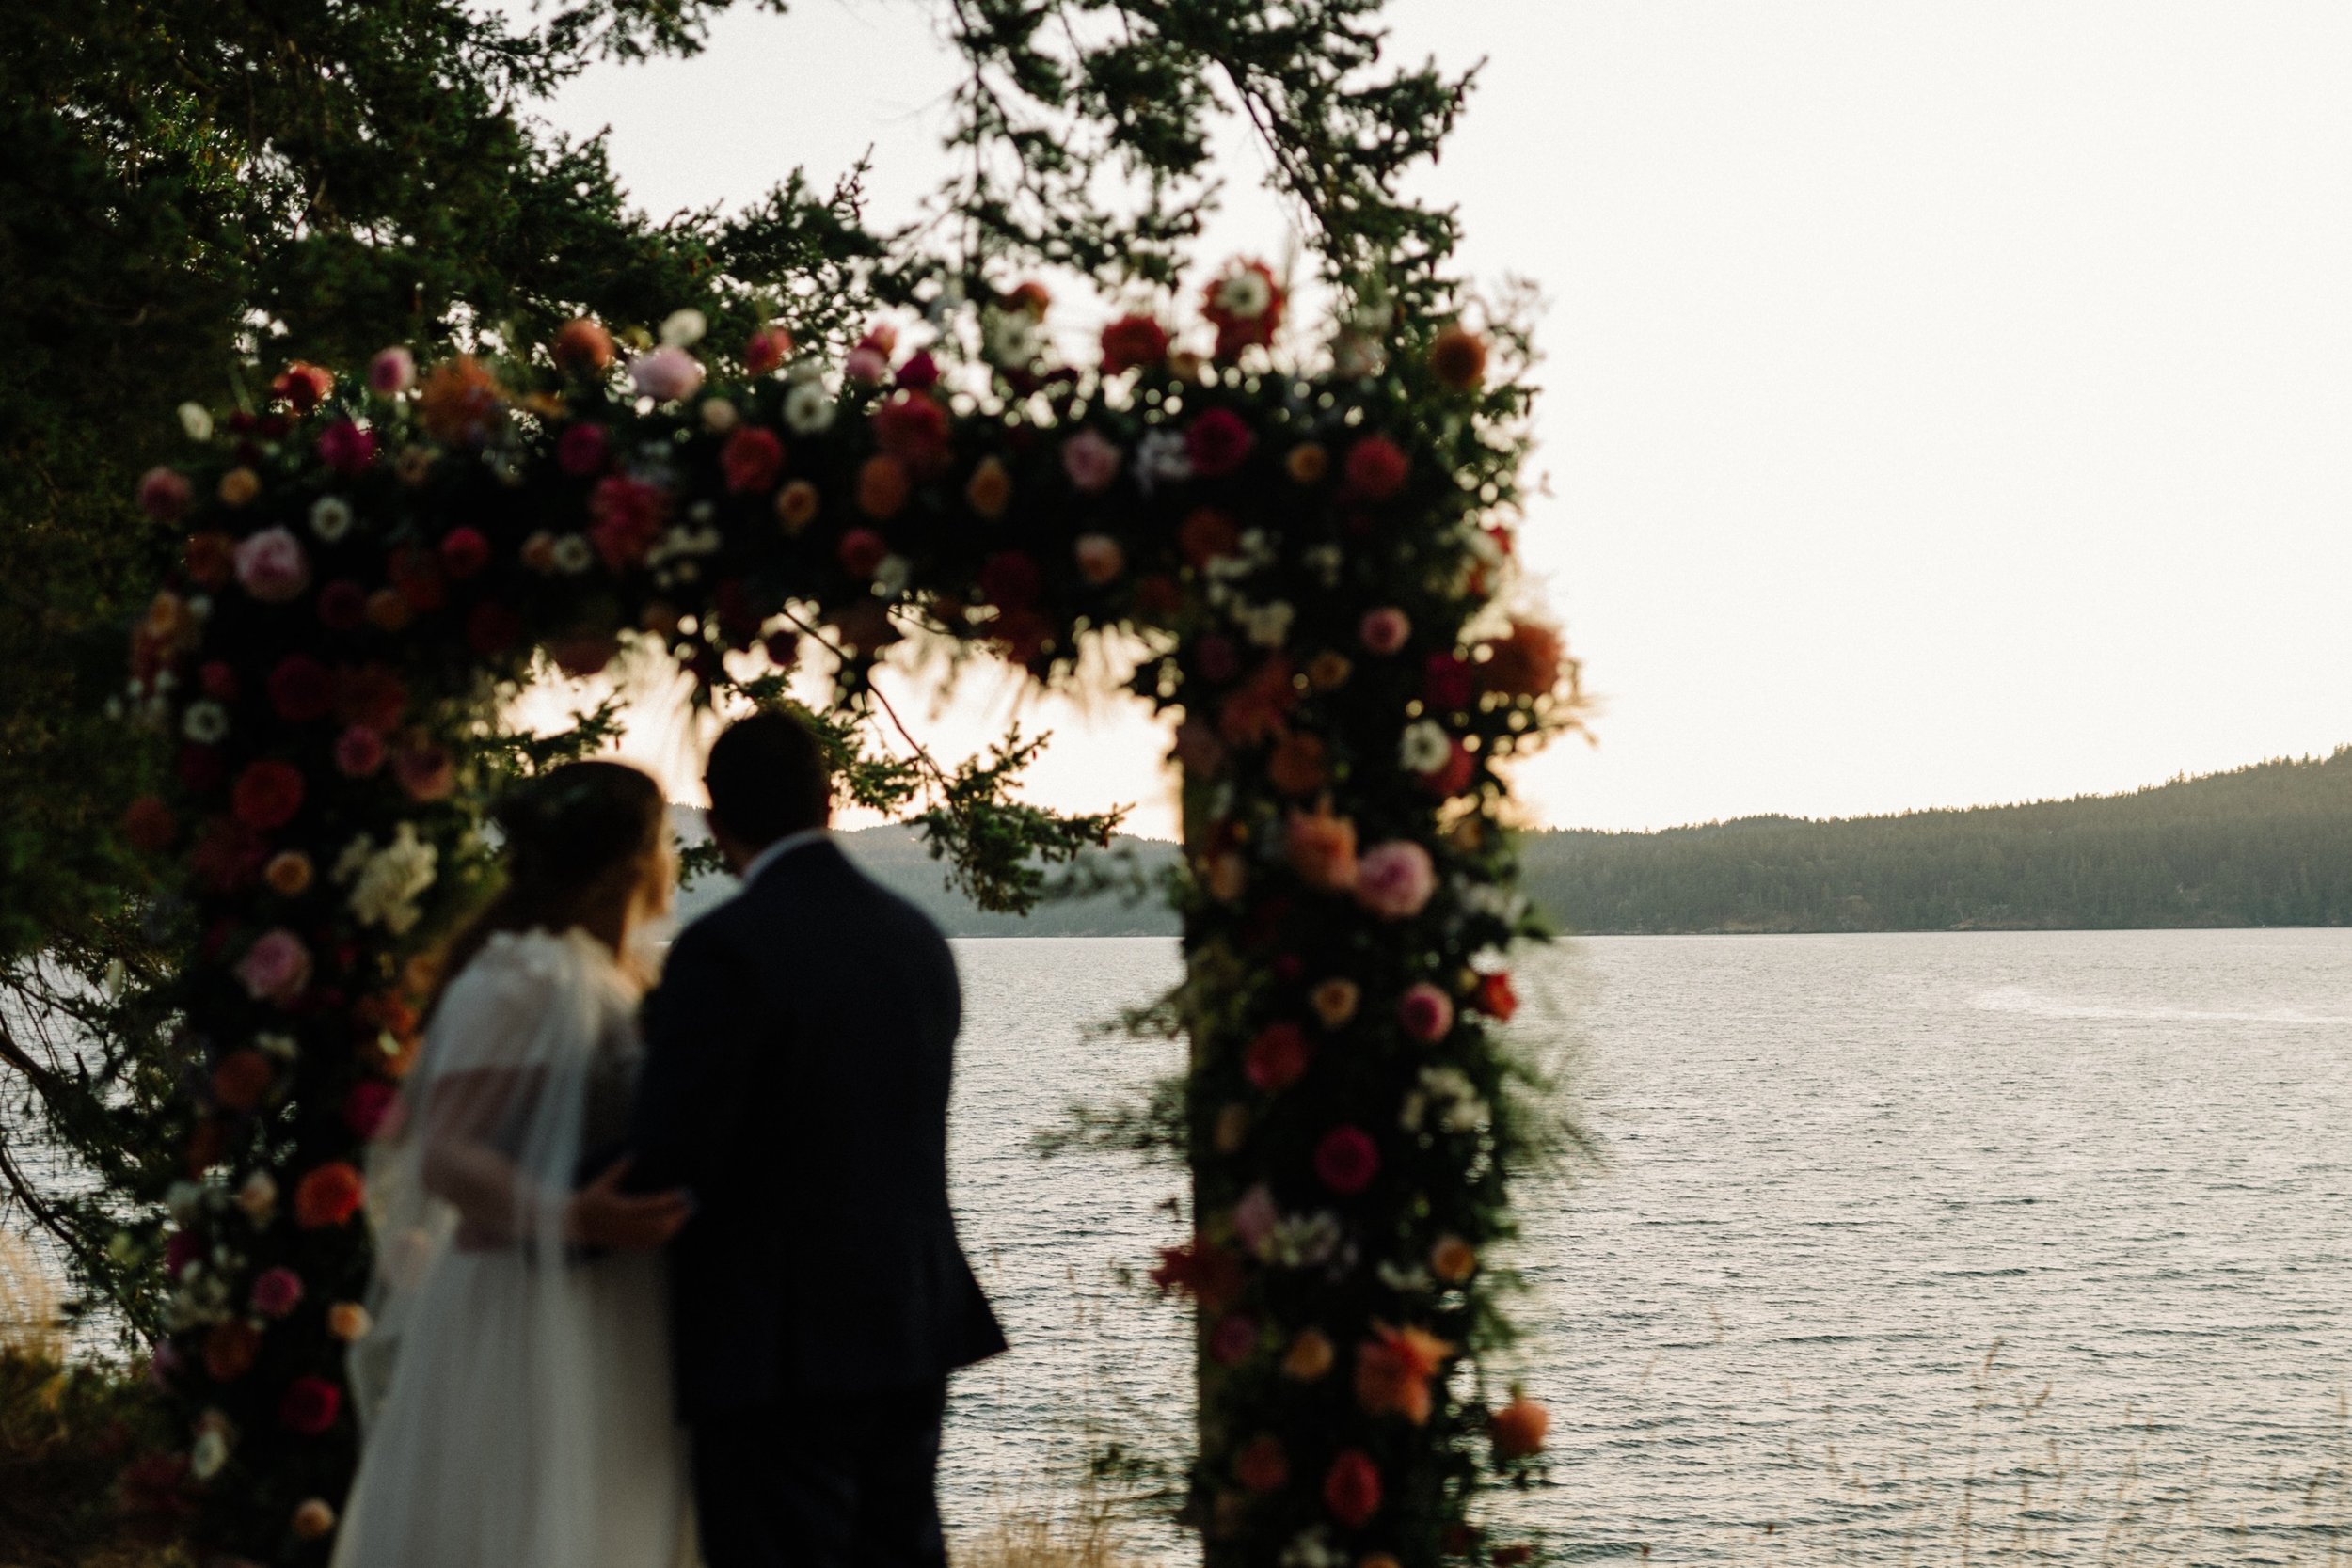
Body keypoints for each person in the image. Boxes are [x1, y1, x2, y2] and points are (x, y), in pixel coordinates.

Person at [631, 708, 1007, 1568]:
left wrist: (546, 1207)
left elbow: (674, 1153)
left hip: (778, 1344)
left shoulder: (724, 949)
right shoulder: (915, 940)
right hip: (913, 1315)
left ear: (716, 819)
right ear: (829, 799)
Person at [333, 761, 699, 1568]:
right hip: (524, 1307)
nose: (672, 856)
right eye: (664, 838)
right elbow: (446, 1152)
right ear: (632, 862)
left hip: (617, 1298)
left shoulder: (612, 977)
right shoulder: (519, 978)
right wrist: (569, 1216)